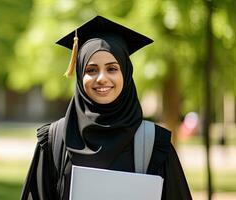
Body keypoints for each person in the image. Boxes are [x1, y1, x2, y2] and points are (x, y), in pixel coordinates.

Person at [21, 16, 192, 200]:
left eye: (112, 69)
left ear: (126, 73)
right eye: (91, 70)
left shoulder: (154, 144)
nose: (101, 78)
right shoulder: (55, 140)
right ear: (79, 75)